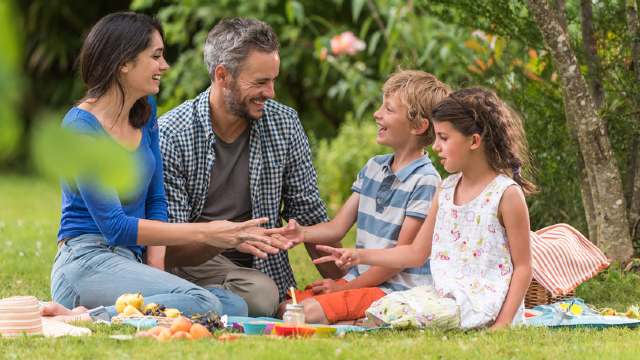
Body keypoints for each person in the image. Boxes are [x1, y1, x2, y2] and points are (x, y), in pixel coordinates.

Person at [49, 12, 276, 322]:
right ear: (123, 63)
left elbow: (156, 200)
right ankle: (83, 316)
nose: (164, 66)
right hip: (87, 260)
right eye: (155, 56)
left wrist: (156, 273)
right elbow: (115, 226)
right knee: (201, 303)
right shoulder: (81, 130)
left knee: (234, 307)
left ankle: (113, 312)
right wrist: (207, 232)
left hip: (130, 260)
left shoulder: (145, 113)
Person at [158, 17, 340, 317]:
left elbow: (308, 214)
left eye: (273, 80)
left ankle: (208, 303)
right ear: (222, 76)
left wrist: (348, 285)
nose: (271, 92)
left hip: (259, 269)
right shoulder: (172, 134)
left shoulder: (284, 123)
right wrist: (226, 238)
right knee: (262, 295)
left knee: (262, 292)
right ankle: (196, 299)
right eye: (260, 82)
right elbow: (169, 246)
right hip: (192, 262)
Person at [314, 88, 534, 329]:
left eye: (444, 137)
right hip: (442, 297)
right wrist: (360, 256)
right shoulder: (447, 189)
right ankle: (365, 323)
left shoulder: (506, 194)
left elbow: (523, 267)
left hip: (482, 303)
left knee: (398, 313)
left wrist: (502, 324)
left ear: (474, 141)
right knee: (383, 306)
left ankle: (367, 324)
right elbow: (416, 253)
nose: (436, 146)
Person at [271, 71, 449, 324]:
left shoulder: (426, 181)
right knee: (286, 305)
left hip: (393, 291)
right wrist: (302, 234)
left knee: (301, 313)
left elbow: (397, 261)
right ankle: (352, 317)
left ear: (419, 125)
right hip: (361, 281)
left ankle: (360, 318)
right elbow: (337, 228)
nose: (377, 114)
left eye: (388, 109)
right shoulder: (373, 168)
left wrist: (346, 289)